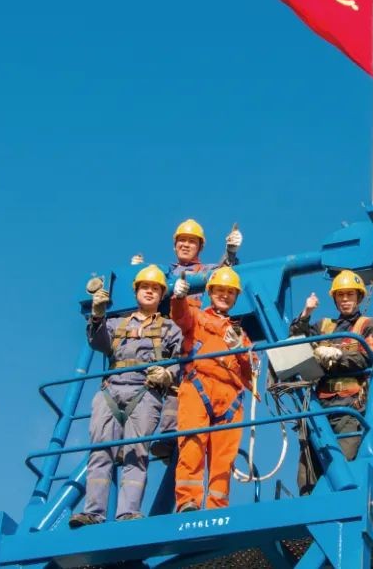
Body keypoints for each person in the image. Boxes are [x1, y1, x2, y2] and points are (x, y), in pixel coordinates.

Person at [69, 264, 183, 527]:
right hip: (111, 391)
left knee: (136, 453)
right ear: (136, 291)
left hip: (145, 392)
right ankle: (93, 513)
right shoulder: (116, 323)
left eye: (155, 288)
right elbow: (98, 342)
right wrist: (97, 315)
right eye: (145, 287)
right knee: (100, 452)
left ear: (162, 295)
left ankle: (128, 513)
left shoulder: (169, 328)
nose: (149, 292)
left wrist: (167, 374)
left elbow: (179, 360)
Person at [137, 219, 243, 460]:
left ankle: (169, 437)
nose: (185, 245)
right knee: (152, 380)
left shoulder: (206, 271)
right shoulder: (163, 272)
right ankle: (147, 438)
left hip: (193, 332)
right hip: (163, 335)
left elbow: (223, 276)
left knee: (183, 379)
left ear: (200, 247)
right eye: (182, 241)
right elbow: (146, 289)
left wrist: (230, 253)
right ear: (175, 245)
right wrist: (136, 271)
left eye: (191, 241)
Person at [169, 266, 256, 512]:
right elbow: (180, 316)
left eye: (230, 292)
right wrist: (178, 297)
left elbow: (253, 370)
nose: (224, 295)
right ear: (210, 292)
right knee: (192, 445)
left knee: (223, 458)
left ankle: (217, 506)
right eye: (220, 290)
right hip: (198, 386)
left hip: (230, 399)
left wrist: (240, 349)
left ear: (235, 297)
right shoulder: (197, 317)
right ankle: (188, 501)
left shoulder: (240, 334)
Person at [290, 269, 373, 496]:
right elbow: (295, 338)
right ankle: (307, 509)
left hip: (348, 408)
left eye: (350, 294)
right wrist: (306, 312)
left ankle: (336, 503)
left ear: (359, 297)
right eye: (341, 295)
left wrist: (338, 355)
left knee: (342, 466)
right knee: (308, 473)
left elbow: (365, 357)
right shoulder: (324, 326)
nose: (345, 300)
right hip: (320, 406)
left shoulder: (368, 325)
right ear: (335, 298)